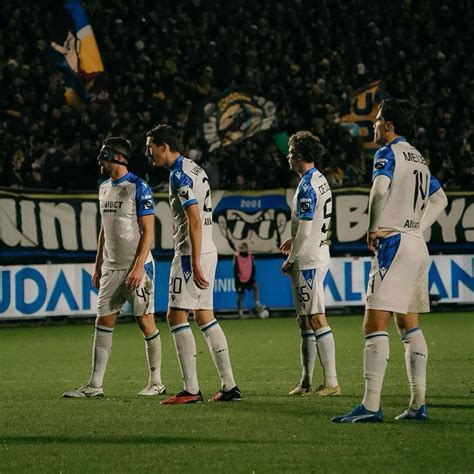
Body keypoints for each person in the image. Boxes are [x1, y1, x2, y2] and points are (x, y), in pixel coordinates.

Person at [332, 99, 448, 423]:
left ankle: (370, 406)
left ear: (390, 125)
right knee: (409, 324)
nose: (374, 125)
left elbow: (379, 191)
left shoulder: (387, 153)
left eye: (378, 120)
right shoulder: (420, 159)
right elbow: (440, 199)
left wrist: (372, 229)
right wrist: (417, 227)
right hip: (415, 243)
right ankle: (417, 404)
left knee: (373, 323)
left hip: (393, 244)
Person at [146, 124, 242, 404]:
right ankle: (229, 385)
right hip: (207, 250)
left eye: (150, 148)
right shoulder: (194, 168)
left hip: (191, 254)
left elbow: (194, 220)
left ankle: (190, 389)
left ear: (164, 147)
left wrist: (195, 263)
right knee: (204, 316)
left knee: (175, 317)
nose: (148, 153)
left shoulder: (179, 175)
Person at [63, 137, 165, 398]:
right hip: (111, 268)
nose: (99, 161)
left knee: (145, 322)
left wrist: (139, 266)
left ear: (117, 157)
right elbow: (104, 231)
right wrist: (98, 265)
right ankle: (95, 385)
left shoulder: (138, 187)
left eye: (103, 156)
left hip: (136, 268)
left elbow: (148, 231)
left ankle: (156, 381)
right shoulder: (104, 188)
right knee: (103, 323)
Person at [280, 131, 341, 397]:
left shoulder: (307, 186)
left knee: (316, 318)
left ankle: (331, 382)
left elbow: (305, 230)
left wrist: (292, 257)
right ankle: (306, 382)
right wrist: (293, 240)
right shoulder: (319, 180)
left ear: (301, 155)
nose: (288, 156)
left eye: (292, 151)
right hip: (315, 252)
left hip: (308, 259)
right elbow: (310, 225)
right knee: (304, 320)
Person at [233, 243, 263, 318]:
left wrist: (252, 278)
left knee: (256, 286)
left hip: (250, 279)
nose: (241, 249)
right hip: (240, 280)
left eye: (243, 248)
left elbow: (253, 267)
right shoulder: (236, 256)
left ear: (246, 248)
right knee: (241, 296)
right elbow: (235, 269)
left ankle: (257, 303)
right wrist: (237, 282)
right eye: (240, 247)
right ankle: (240, 312)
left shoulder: (251, 256)